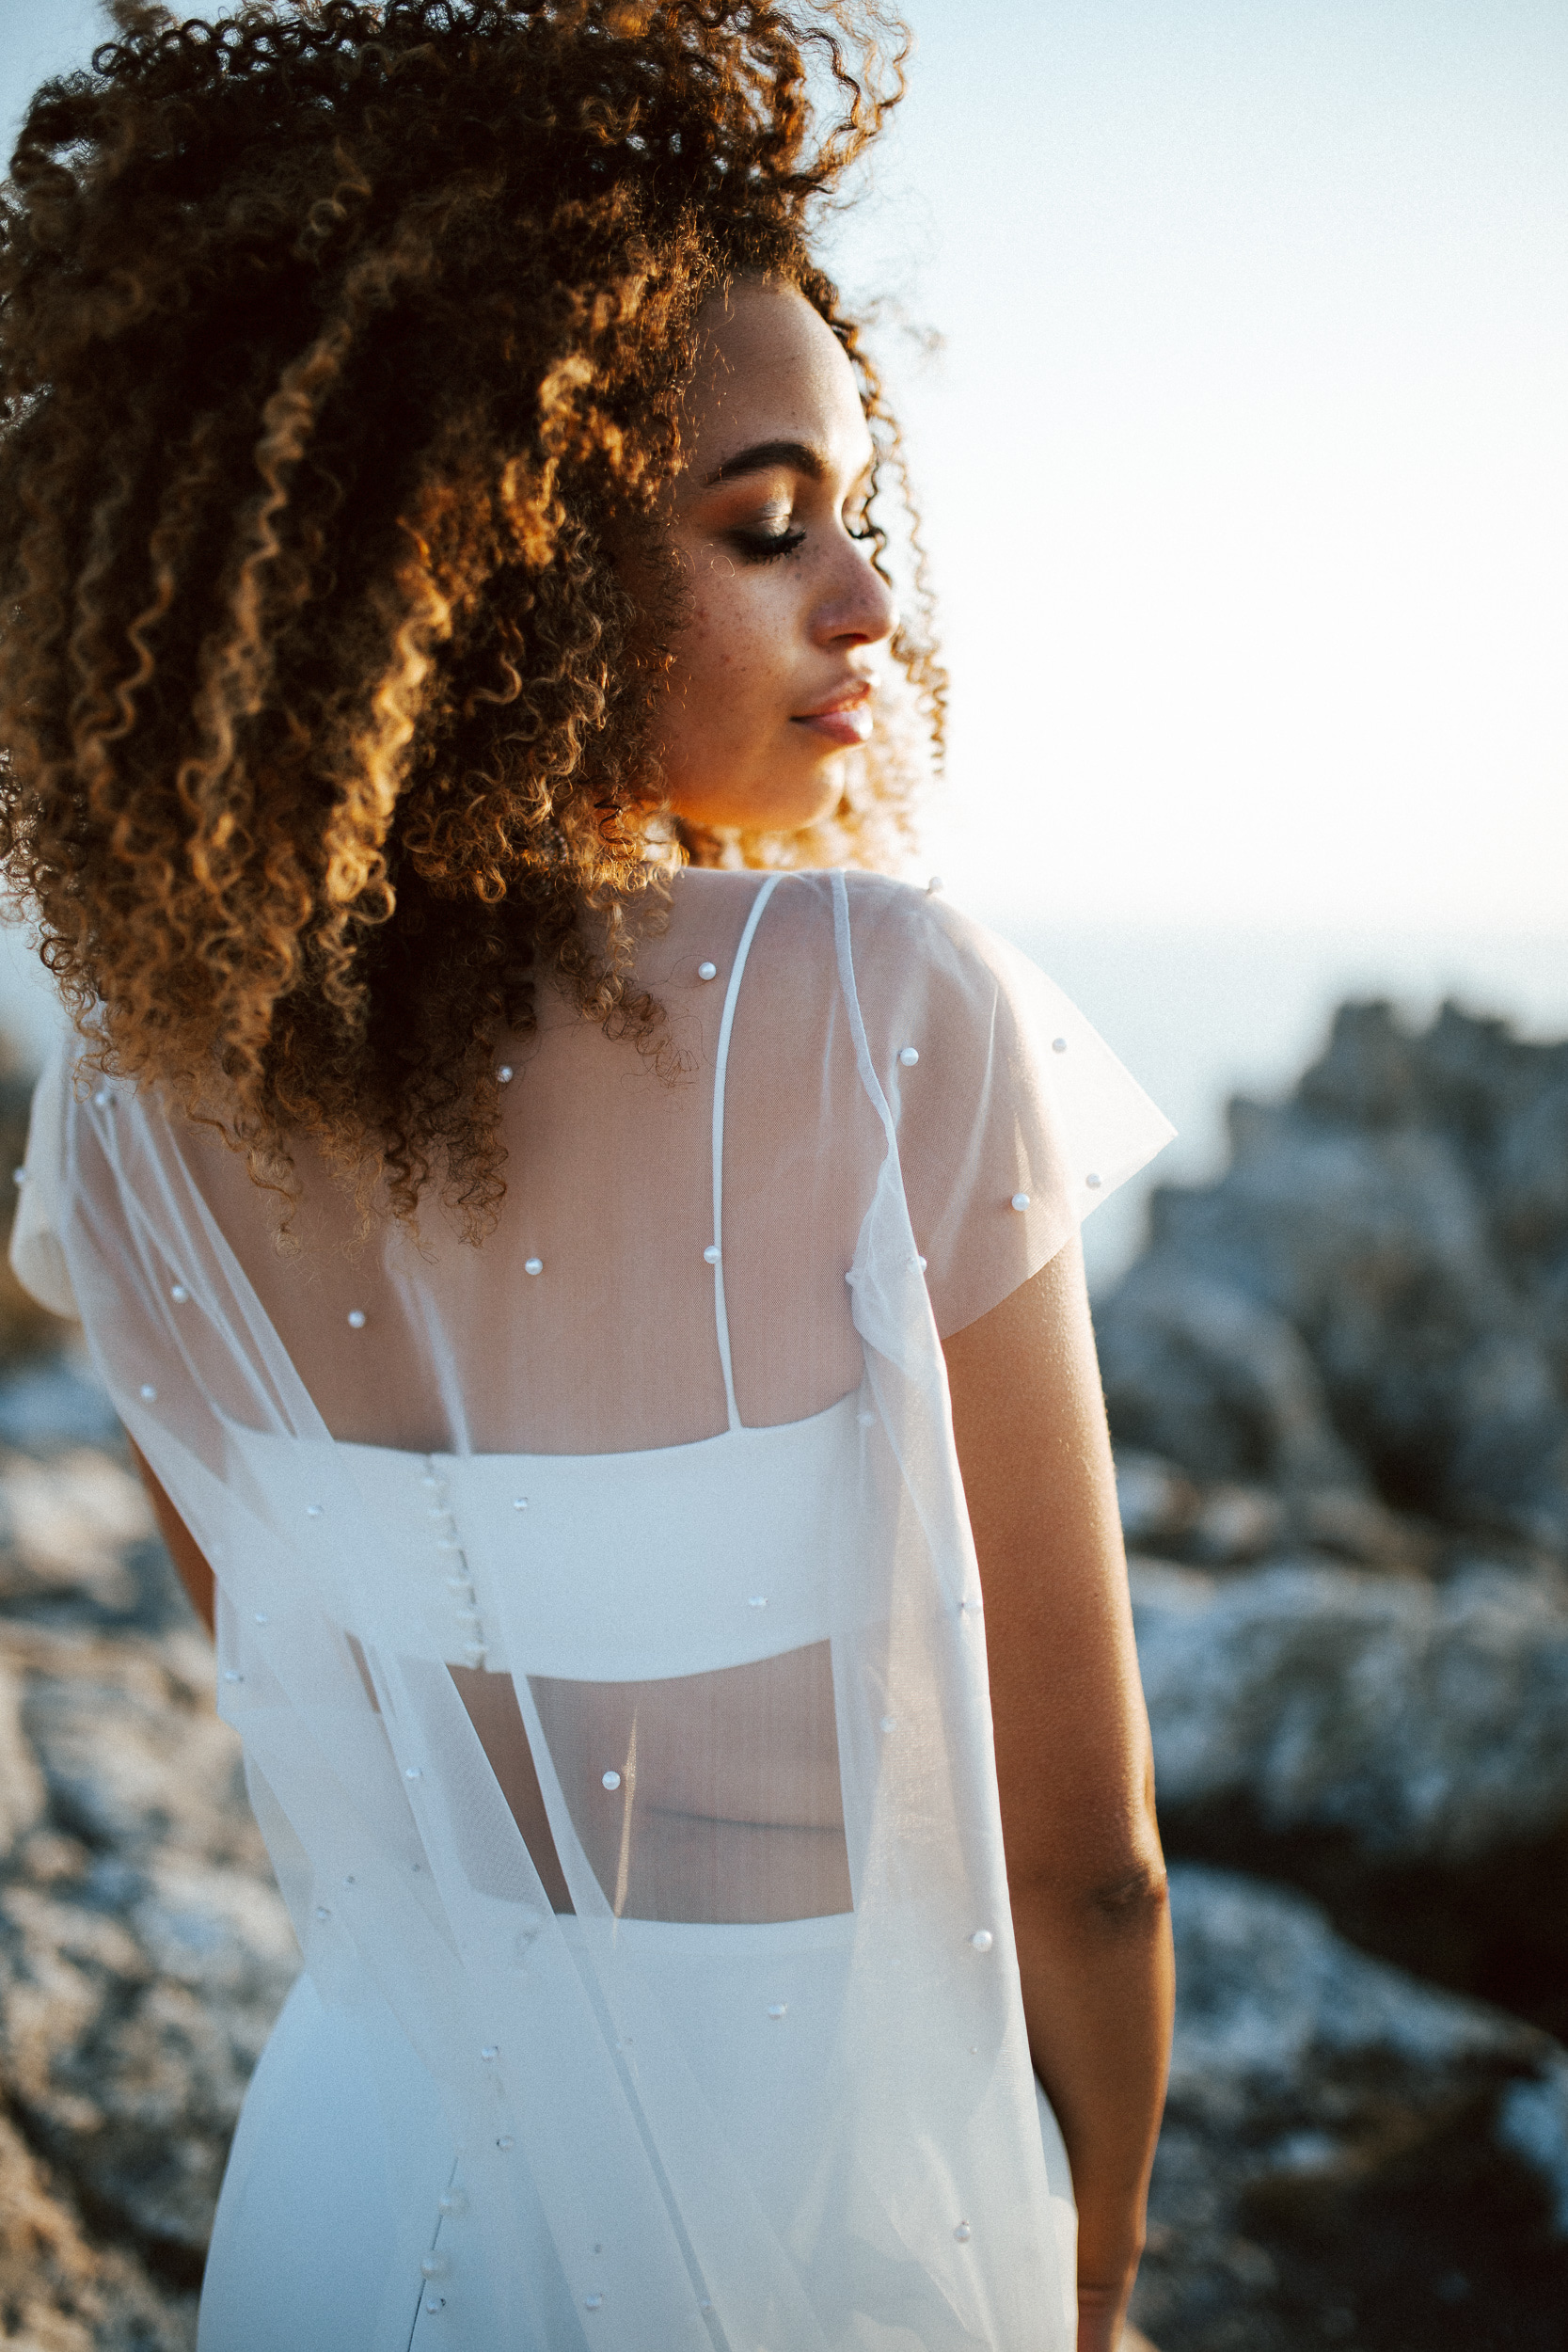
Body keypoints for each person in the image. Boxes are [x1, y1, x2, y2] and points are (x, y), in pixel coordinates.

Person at [0, 4, 1175, 2346]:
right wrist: (1101, 2264)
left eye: (850, 510)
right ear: (492, 570)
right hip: (822, 2213)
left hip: (352, 2200)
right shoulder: (879, 1000)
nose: (869, 606)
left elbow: (343, 1728)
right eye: (767, 526)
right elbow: (1099, 1871)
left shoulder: (127, 1116)